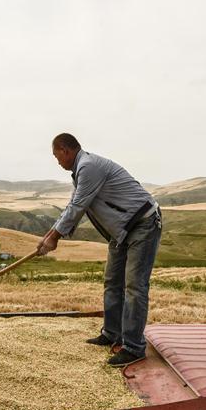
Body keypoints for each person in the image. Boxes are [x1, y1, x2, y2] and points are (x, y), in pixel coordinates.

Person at [37, 133, 162, 367]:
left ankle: (134, 347)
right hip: (122, 230)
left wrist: (55, 237)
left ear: (65, 150)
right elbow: (71, 208)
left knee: (135, 285)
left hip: (142, 223)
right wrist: (51, 234)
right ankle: (112, 333)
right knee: (112, 281)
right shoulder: (81, 171)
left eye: (56, 156)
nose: (57, 162)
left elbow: (78, 206)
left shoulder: (88, 167)